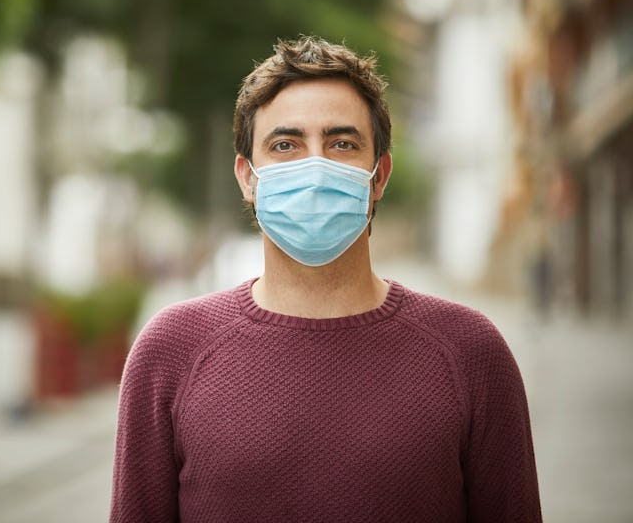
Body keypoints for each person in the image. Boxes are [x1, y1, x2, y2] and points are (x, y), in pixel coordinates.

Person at [110, 36, 542, 522]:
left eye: (342, 143)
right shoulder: (170, 352)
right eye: (285, 145)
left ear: (379, 176)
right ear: (247, 178)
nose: (314, 169)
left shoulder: (470, 353)